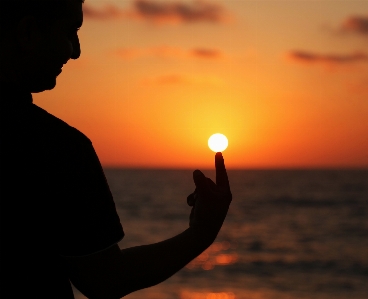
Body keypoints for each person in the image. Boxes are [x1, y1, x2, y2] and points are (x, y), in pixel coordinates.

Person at [0, 0, 232, 298]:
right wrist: (202, 232)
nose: (76, 50)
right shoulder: (56, 148)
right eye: (71, 31)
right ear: (28, 32)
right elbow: (105, 279)